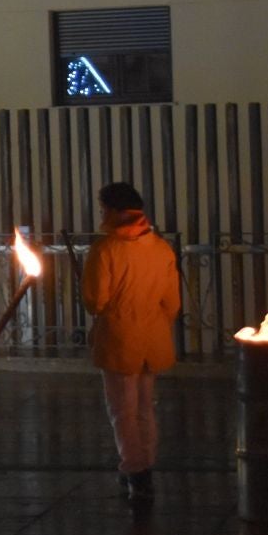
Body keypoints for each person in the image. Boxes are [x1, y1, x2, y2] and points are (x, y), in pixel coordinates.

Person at [80, 183, 180, 501]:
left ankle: (134, 469)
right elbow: (172, 304)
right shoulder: (162, 249)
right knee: (144, 408)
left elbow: (96, 301)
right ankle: (145, 463)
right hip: (153, 338)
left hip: (120, 339)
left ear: (110, 210)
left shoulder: (106, 249)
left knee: (122, 409)